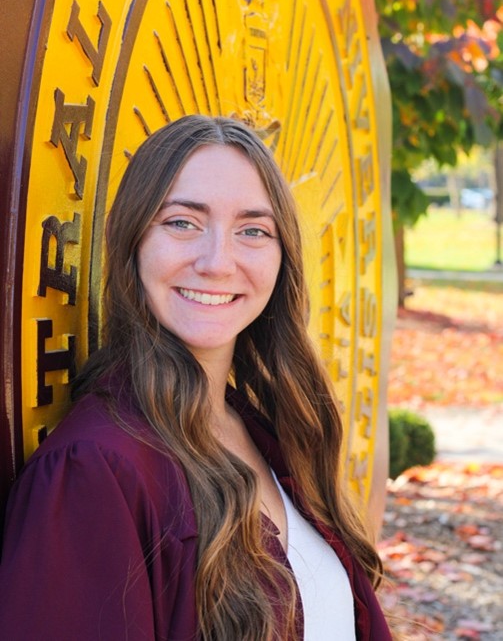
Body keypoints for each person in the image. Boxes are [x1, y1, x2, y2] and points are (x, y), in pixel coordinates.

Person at [0, 115, 391, 640]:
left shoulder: (266, 431)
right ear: (133, 240)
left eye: (253, 230)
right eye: (183, 222)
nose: (217, 262)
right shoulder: (97, 472)